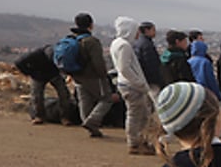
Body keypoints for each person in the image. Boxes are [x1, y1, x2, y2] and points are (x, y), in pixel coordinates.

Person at [68, 12, 119, 138]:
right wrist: (104, 76)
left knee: (84, 101)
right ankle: (92, 122)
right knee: (107, 99)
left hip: (77, 75)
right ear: (91, 25)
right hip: (92, 77)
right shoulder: (91, 41)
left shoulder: (72, 39)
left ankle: (91, 128)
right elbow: (98, 62)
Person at [109, 16, 153, 155]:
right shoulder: (124, 45)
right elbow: (124, 68)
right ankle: (134, 143)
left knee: (141, 115)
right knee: (136, 115)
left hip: (127, 84)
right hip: (131, 85)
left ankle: (140, 141)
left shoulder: (117, 43)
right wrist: (139, 83)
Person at [14, 44, 74, 125]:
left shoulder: (59, 54)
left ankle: (65, 117)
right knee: (37, 96)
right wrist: (30, 73)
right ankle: (38, 116)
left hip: (54, 74)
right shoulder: (35, 54)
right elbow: (18, 62)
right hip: (38, 75)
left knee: (64, 94)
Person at [134, 21, 163, 98]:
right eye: (153, 30)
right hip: (150, 80)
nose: (155, 32)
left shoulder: (138, 42)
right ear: (147, 30)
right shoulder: (147, 45)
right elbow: (151, 64)